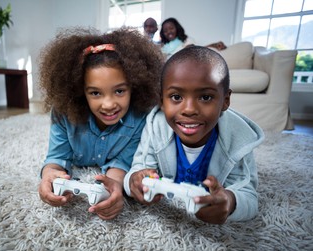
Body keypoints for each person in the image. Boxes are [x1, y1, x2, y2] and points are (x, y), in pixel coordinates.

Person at [123, 46, 264, 224]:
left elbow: (249, 197)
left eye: (205, 97)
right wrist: (133, 182)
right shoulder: (155, 126)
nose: (189, 110)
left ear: (225, 101)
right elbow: (137, 171)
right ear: (161, 101)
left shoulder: (239, 138)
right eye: (176, 97)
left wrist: (229, 202)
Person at [38, 27, 163, 220]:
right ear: (80, 91)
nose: (109, 104)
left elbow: (122, 163)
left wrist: (113, 186)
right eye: (95, 93)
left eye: (119, 91)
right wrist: (50, 176)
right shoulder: (64, 113)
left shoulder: (141, 117)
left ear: (134, 87)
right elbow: (56, 157)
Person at [160, 17, 226, 60]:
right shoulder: (162, 46)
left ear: (177, 28)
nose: (169, 32)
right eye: (165, 31)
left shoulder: (187, 40)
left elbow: (197, 51)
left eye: (171, 28)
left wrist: (212, 45)